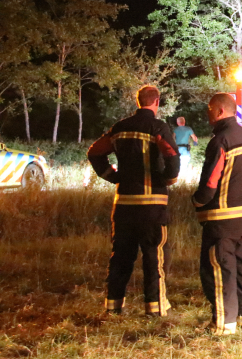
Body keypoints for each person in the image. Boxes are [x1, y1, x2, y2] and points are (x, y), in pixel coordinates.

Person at [87, 85, 180, 316]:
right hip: (152, 204)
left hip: (124, 203)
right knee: (153, 255)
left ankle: (113, 305)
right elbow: (172, 158)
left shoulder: (119, 128)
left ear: (138, 101)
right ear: (156, 101)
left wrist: (112, 175)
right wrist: (167, 178)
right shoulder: (158, 127)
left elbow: (94, 152)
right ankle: (155, 308)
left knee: (121, 255)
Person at [192, 93, 242, 335]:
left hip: (220, 220)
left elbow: (210, 184)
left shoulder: (220, 141)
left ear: (220, 111)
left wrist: (197, 201)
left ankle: (224, 325)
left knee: (219, 270)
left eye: (210, 109)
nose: (207, 113)